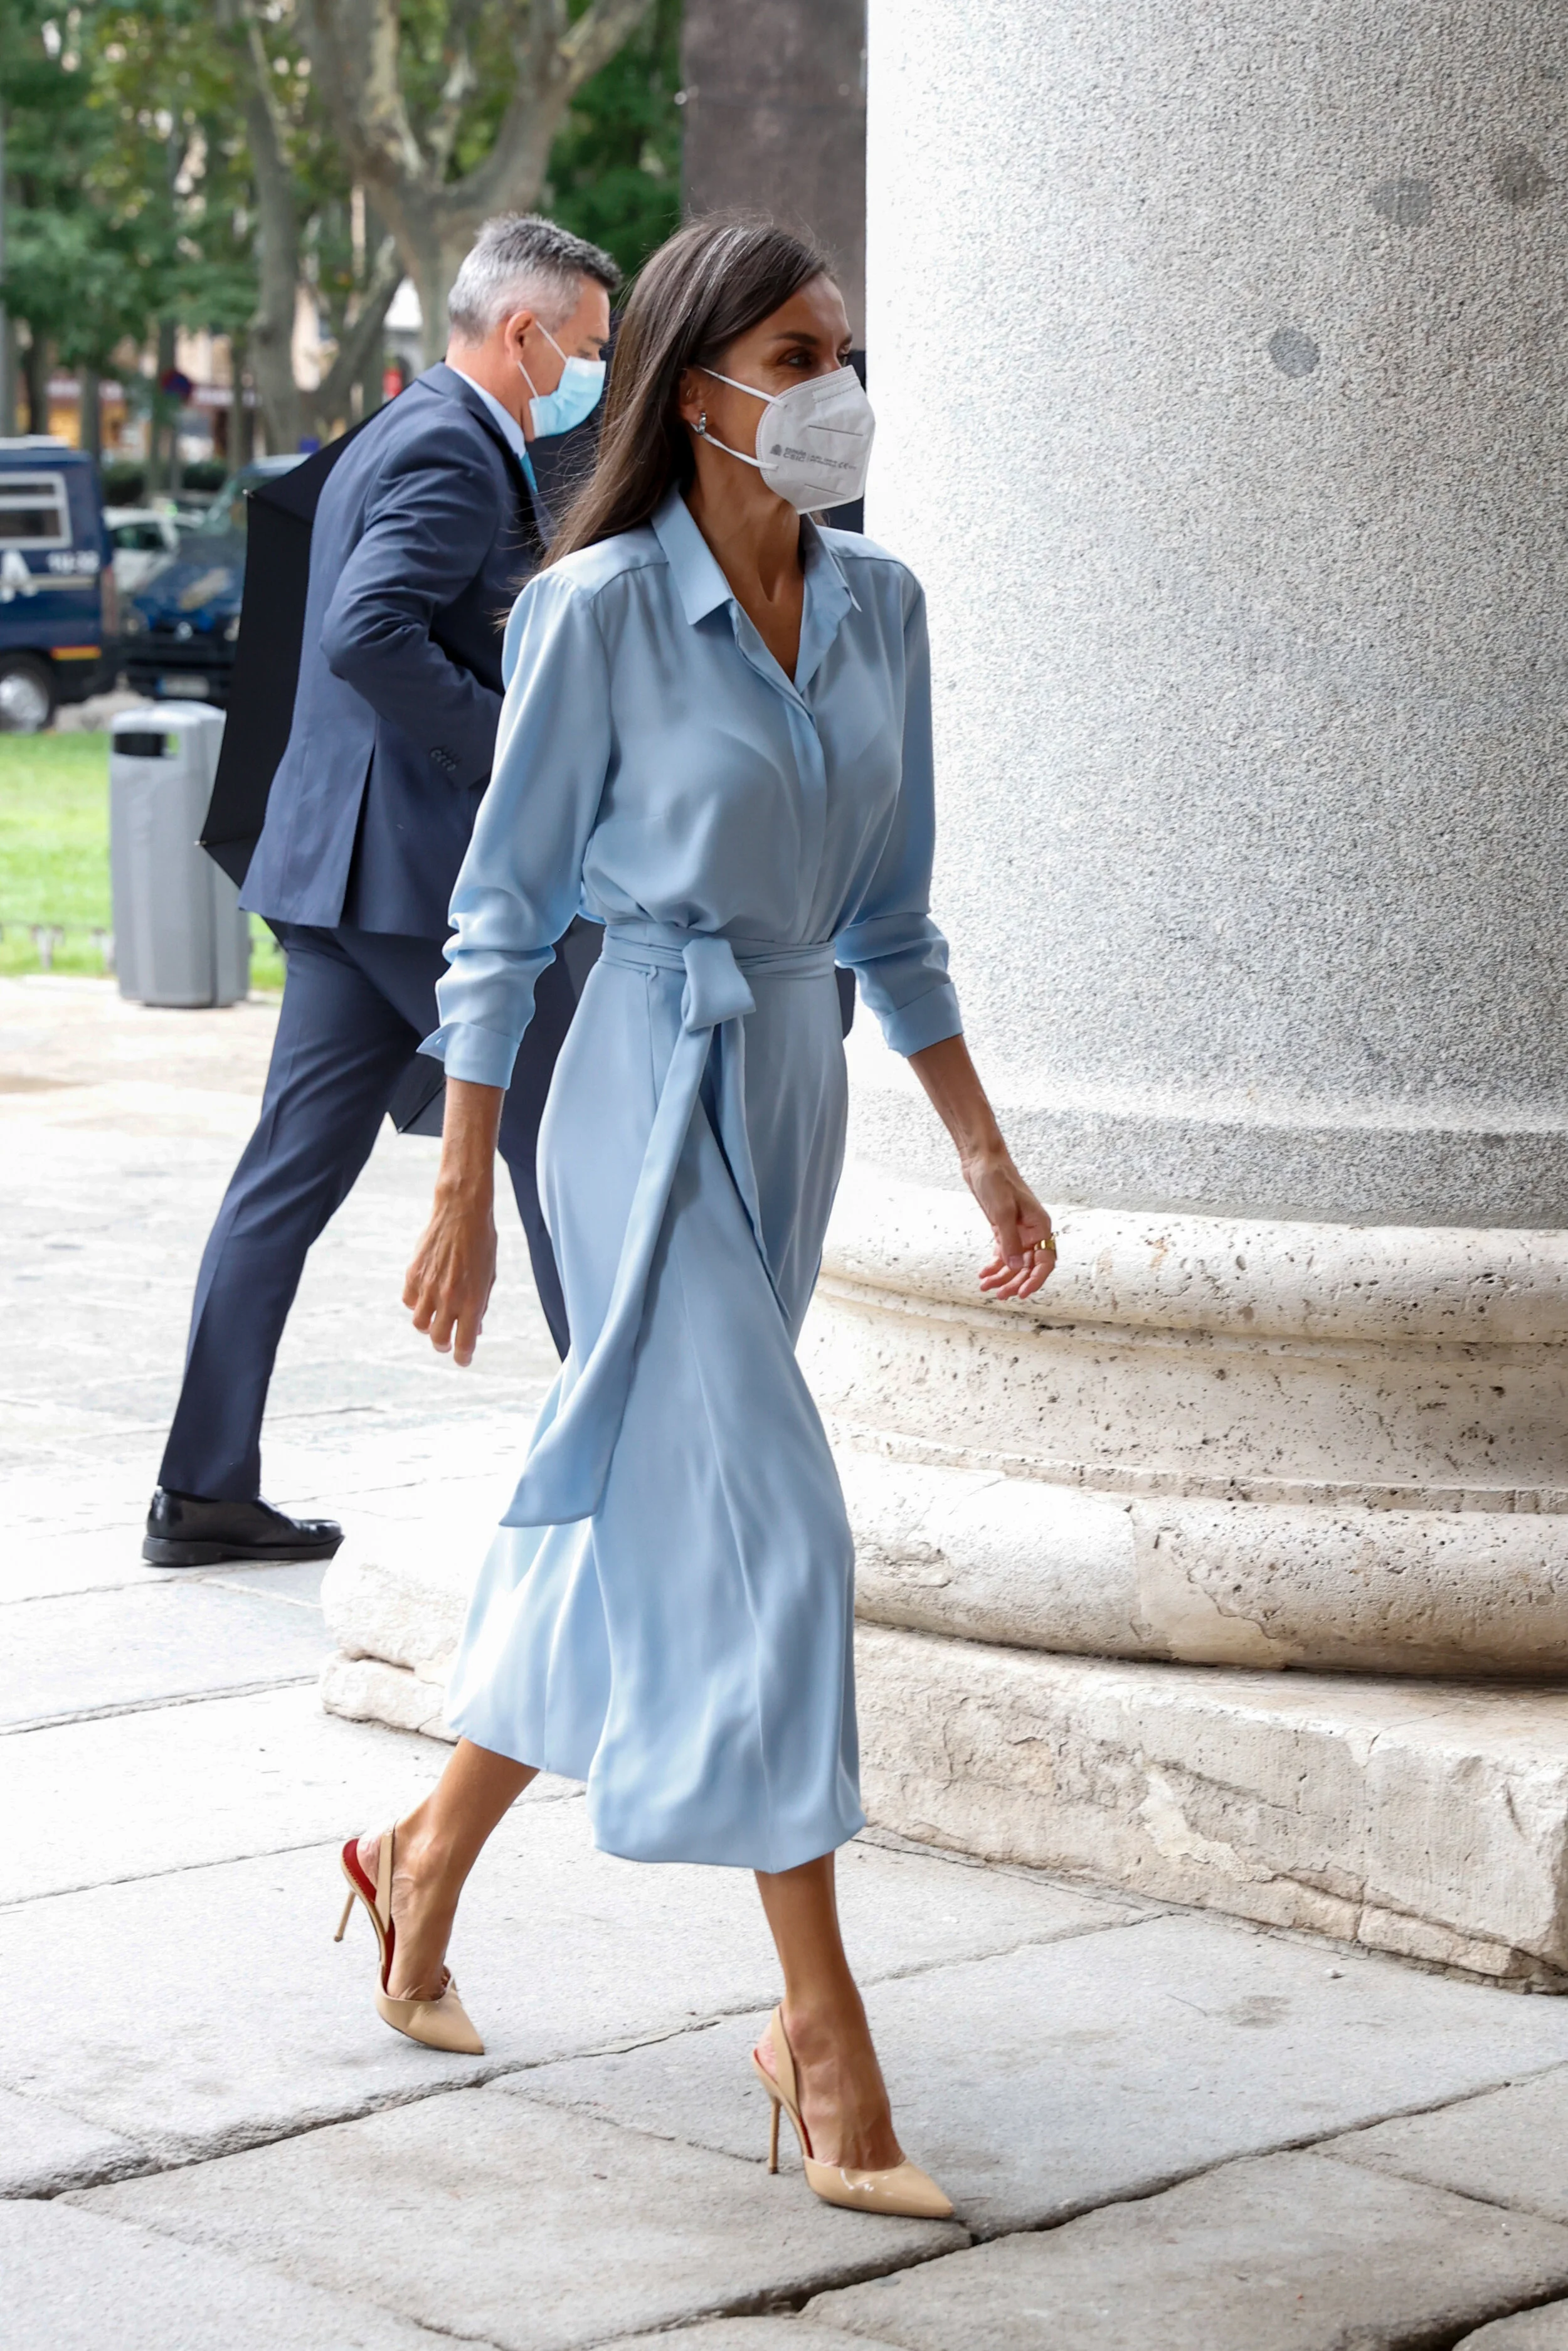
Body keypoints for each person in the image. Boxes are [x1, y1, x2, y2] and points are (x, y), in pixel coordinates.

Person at [334, 218, 1056, 2218]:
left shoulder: (887, 610)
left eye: (845, 344)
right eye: (801, 347)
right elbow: (501, 911)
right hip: (635, 1085)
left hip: (792, 1080)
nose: (836, 382)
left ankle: (421, 1855)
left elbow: (891, 922)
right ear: (700, 376)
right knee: (777, 1530)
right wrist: (465, 1180)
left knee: (649, 1528)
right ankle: (817, 2032)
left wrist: (982, 1147)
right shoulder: (593, 612)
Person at [143, 215, 620, 1571]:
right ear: (521, 333)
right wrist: (513, 741)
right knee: (558, 1144)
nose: (589, 372)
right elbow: (367, 633)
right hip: (414, 877)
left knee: (287, 1176)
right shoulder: (451, 447)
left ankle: (202, 1488)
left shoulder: (409, 431)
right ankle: (635, 1464)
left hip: (344, 874)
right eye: (584, 348)